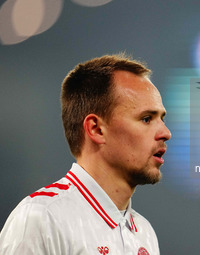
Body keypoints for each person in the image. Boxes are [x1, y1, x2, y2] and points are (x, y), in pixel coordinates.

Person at [0, 54, 171, 254]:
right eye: (147, 119)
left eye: (162, 118)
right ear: (96, 129)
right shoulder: (42, 218)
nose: (165, 133)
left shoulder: (145, 232)